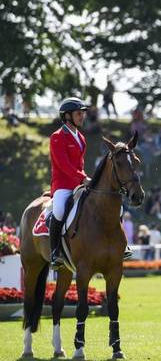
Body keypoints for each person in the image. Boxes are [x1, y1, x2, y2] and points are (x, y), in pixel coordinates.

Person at [48, 97, 90, 269]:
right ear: (67, 116)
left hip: (79, 184)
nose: (82, 117)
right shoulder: (57, 137)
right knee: (58, 210)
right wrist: (82, 178)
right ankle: (54, 253)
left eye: (83, 114)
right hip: (62, 185)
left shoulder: (81, 137)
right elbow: (63, 164)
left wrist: (87, 180)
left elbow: (80, 165)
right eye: (78, 113)